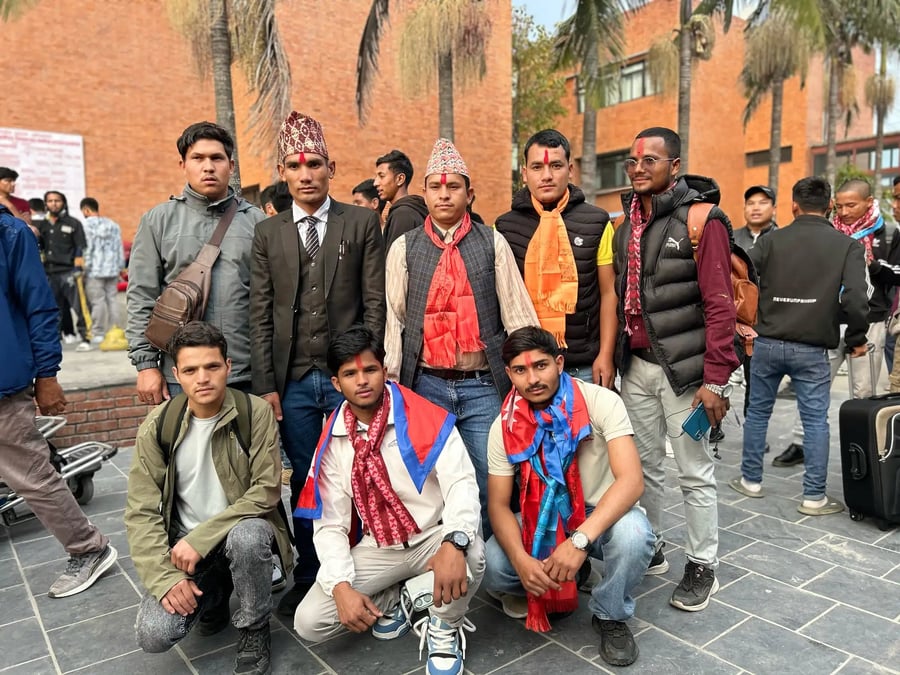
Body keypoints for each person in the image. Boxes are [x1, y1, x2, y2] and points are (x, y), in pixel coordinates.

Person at [250, 111, 386, 617]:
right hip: (293, 383)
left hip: (349, 377)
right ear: (283, 172)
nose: (305, 173)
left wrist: (369, 368)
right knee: (307, 479)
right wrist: (268, 385)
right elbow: (259, 313)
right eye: (294, 165)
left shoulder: (362, 221)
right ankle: (313, 575)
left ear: (330, 167)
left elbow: (375, 302)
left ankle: (373, 570)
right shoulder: (269, 234)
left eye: (314, 164)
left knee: (366, 472)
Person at [293, 326, 484, 675]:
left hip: (432, 536)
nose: (362, 380)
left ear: (385, 370)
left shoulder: (423, 416)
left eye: (370, 369)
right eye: (350, 374)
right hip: (379, 546)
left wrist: (453, 542)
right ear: (337, 384)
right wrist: (339, 586)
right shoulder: (333, 440)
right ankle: (401, 598)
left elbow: (461, 483)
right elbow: (331, 523)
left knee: (471, 554)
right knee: (310, 621)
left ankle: (444, 626)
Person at [385, 138, 538, 541]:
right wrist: (395, 388)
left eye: (453, 187)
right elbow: (394, 322)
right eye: (436, 186)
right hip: (425, 385)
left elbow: (518, 317)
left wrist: (531, 378)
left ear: (469, 194)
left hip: (483, 386)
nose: (444, 194)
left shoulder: (492, 242)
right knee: (434, 480)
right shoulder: (404, 248)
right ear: (424, 194)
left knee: (492, 481)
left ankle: (494, 569)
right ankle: (449, 563)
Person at [612, 127, 739, 612]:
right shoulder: (625, 226)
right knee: (643, 470)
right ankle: (653, 546)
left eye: (651, 159)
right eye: (633, 160)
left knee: (694, 471)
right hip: (637, 368)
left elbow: (720, 305)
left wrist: (715, 379)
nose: (639, 167)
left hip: (685, 374)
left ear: (675, 165)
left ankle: (703, 563)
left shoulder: (702, 221)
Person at [126, 322, 290, 675]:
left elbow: (265, 491)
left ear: (228, 367)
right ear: (176, 374)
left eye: (212, 366)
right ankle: (213, 594)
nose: (203, 378)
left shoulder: (254, 413)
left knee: (247, 538)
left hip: (239, 536)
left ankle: (253, 627)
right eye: (190, 370)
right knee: (154, 634)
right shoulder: (158, 425)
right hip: (187, 551)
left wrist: (201, 538)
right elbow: (140, 512)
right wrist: (164, 578)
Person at [483, 327, 653, 666]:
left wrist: (578, 542)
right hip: (543, 520)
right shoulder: (504, 424)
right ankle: (569, 575)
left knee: (635, 536)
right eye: (521, 370)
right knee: (494, 565)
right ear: (509, 374)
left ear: (560, 363)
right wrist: (521, 560)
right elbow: (499, 506)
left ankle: (610, 614)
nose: (532, 379)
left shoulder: (599, 401)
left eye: (541, 366)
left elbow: (632, 482)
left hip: (600, 512)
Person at [730, 177, 869, 516]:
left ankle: (750, 481)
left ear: (793, 205)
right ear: (830, 206)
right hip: (812, 346)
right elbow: (855, 298)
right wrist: (856, 338)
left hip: (767, 342)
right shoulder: (847, 245)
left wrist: (746, 320)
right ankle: (814, 497)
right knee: (815, 420)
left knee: (759, 412)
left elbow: (740, 274)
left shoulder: (772, 241)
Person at [0, 204, 118, 598]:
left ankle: (89, 549)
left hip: (4, 385)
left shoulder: (10, 235)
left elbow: (40, 307)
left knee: (32, 477)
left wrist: (47, 374)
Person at [127, 121, 265, 405]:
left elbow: (271, 302)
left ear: (231, 165)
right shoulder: (158, 221)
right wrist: (146, 365)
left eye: (216, 158)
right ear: (183, 165)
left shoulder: (257, 223)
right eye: (198, 158)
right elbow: (141, 297)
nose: (208, 167)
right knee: (186, 450)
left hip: (245, 373)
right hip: (182, 376)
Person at [777, 178, 900, 468]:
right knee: (812, 385)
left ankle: (873, 451)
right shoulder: (829, 231)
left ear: (868, 202)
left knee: (866, 392)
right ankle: (801, 443)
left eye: (851, 205)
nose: (843, 211)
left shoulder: (889, 233)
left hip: (869, 322)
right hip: (829, 321)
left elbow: (896, 274)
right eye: (840, 205)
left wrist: (873, 265)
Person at [496, 129, 616, 387]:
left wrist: (606, 356)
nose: (547, 176)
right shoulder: (503, 228)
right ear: (524, 173)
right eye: (537, 167)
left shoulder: (597, 222)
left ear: (571, 169)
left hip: (583, 365)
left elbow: (609, 293)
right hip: (526, 367)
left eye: (556, 165)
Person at [38, 190, 91, 350]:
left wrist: (77, 268)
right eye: (50, 201)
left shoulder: (73, 223)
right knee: (54, 308)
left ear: (63, 203)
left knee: (79, 306)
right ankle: (56, 338)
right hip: (50, 272)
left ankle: (85, 338)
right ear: (46, 204)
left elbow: (80, 247)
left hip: (70, 272)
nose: (54, 203)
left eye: (57, 200)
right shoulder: (43, 225)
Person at [79, 197, 125, 342]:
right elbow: (119, 247)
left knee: (97, 301)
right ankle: (115, 329)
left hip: (95, 269)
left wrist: (85, 268)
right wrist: (120, 267)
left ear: (86, 209)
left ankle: (98, 332)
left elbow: (88, 248)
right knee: (112, 299)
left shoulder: (85, 226)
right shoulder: (113, 225)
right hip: (112, 268)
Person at [374, 149, 428, 250]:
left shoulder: (403, 215)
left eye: (381, 176)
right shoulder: (412, 210)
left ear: (400, 179)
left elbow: (396, 263)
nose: (375, 183)